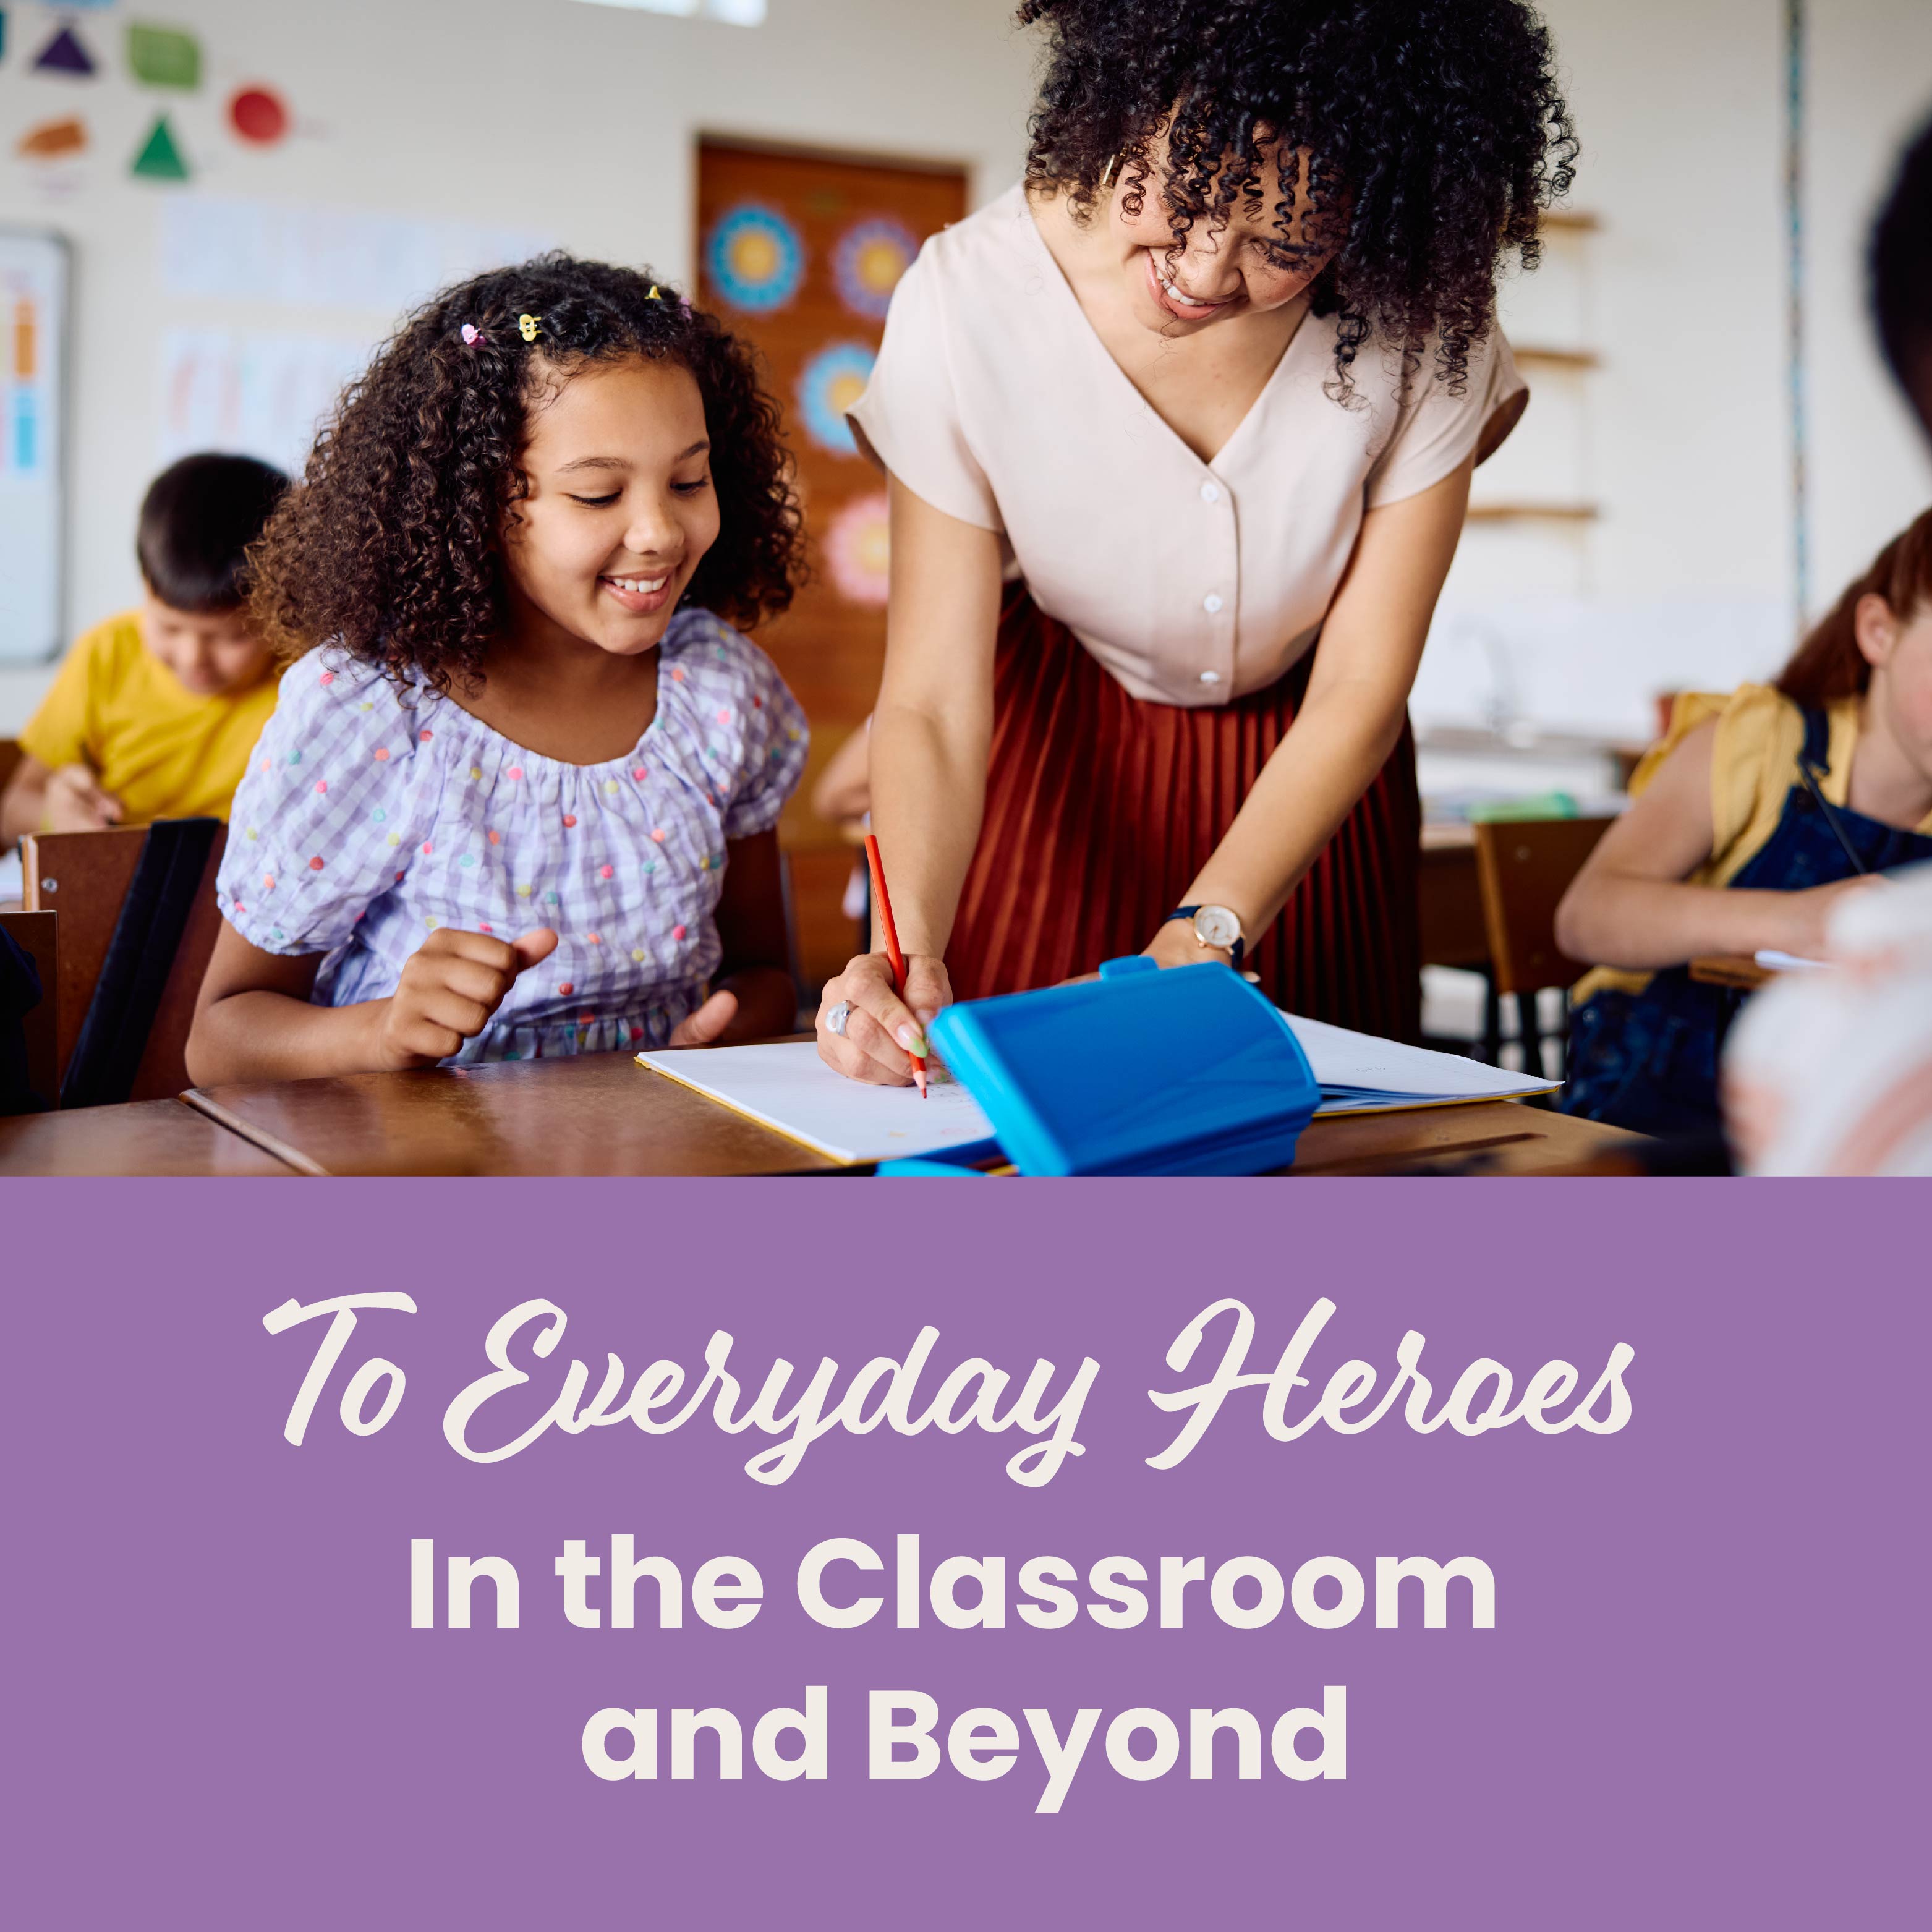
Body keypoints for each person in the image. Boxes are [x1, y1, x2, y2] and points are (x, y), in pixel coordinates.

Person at [814, 0, 1575, 1086]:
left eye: (1288, 246)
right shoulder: (967, 300)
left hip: (1310, 782)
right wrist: (907, 950)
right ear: (1127, 102)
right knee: (1017, 1136)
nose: (1209, 273)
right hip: (1053, 766)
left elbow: (1364, 682)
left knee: (1310, 1144)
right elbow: (932, 699)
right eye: (1187, 199)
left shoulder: (1428, 334)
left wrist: (1211, 925)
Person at [186, 257, 807, 1083]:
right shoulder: (375, 714)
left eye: (688, 480)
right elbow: (222, 1041)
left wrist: (732, 1027)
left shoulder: (722, 692)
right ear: (478, 503)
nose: (660, 531)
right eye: (597, 495)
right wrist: (382, 1032)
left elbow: (766, 974)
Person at [1557, 508, 1932, 1136]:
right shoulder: (1756, 744)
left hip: (1835, 1126)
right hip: (1650, 1113)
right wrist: (1797, 921)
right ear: (1878, 632)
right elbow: (1585, 916)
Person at [0, 454, 289, 849]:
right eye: (168, 627)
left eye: (231, 637)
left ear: (285, 608)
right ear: (144, 585)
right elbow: (13, 810)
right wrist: (57, 812)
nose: (192, 658)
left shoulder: (305, 676)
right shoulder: (107, 654)